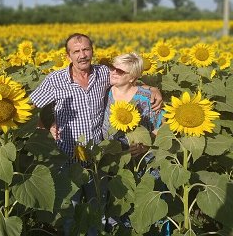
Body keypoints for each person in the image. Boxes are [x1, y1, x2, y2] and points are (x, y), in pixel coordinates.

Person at [29, 33, 163, 235]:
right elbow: (31, 107)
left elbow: (128, 78)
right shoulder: (55, 80)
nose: (82, 55)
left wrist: (153, 88)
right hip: (66, 156)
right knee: (69, 211)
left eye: (86, 49)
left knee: (97, 210)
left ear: (92, 51)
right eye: (76, 51)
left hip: (97, 157)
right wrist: (48, 125)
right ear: (68, 56)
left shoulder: (103, 73)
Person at [101, 52, 169, 234]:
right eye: (112, 67)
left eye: (119, 70)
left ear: (132, 77)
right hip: (114, 159)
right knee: (118, 202)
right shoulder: (106, 90)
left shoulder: (147, 98)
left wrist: (146, 145)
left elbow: (159, 127)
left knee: (144, 203)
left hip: (142, 161)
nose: (113, 72)